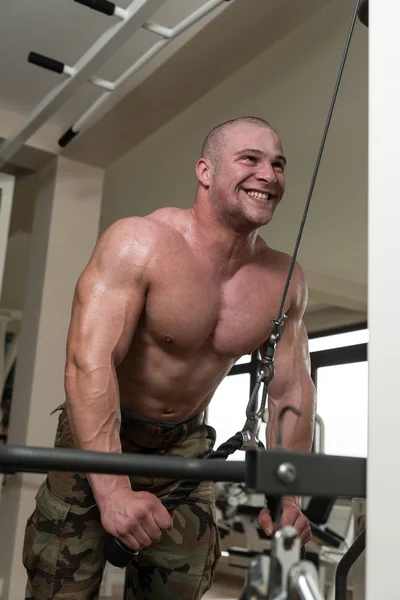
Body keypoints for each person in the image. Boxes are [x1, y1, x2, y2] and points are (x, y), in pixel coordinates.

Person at [22, 116, 316, 600]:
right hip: (99, 435)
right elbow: (86, 362)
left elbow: (291, 390)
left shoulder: (284, 279)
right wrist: (112, 490)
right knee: (59, 589)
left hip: (185, 448)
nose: (270, 174)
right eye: (251, 159)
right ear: (205, 171)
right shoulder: (139, 243)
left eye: (279, 164)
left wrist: (288, 496)